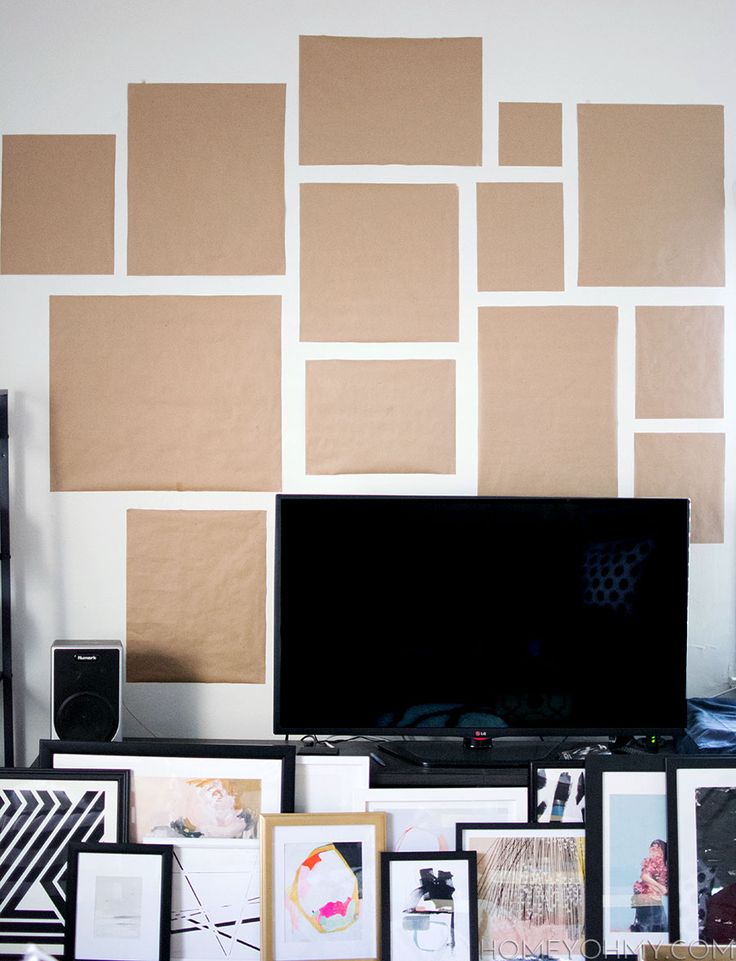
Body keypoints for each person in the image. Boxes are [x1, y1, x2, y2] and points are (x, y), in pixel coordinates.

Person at [630, 839, 668, 932]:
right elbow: (644, 876)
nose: (653, 852)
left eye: (657, 849)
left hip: (652, 901)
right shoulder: (652, 862)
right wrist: (660, 887)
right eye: (653, 849)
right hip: (649, 902)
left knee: (659, 927)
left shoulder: (662, 865)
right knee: (657, 928)